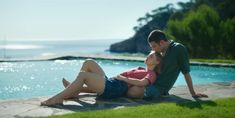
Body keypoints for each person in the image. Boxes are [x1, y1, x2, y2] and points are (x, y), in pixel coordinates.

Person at [41, 51, 162, 106]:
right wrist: (119, 77)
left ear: (157, 62)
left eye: (151, 56)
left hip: (116, 87)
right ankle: (75, 90)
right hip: (112, 82)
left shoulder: (152, 74)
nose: (148, 57)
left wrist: (123, 78)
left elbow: (142, 83)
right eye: (149, 55)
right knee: (89, 62)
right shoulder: (141, 67)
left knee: (84, 75)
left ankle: (57, 98)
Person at [128, 29, 208, 99]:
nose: (153, 49)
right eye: (151, 47)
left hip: (159, 88)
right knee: (128, 84)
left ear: (162, 42)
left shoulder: (178, 49)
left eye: (154, 46)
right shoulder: (159, 51)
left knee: (133, 91)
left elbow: (186, 72)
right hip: (149, 82)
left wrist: (193, 93)